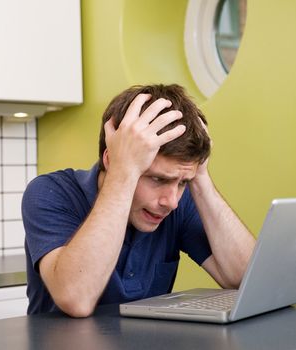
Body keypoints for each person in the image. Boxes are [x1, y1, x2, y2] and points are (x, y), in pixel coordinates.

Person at [22, 84, 255, 317]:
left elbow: (248, 280)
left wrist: (199, 178)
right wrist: (123, 171)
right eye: (157, 179)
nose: (171, 201)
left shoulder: (175, 204)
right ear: (111, 159)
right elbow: (77, 299)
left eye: (182, 182)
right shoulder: (50, 192)